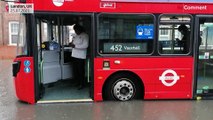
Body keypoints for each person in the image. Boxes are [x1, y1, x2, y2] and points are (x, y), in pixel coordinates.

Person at [69, 24, 89, 90]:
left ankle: (82, 84)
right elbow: (73, 43)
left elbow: (85, 45)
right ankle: (77, 82)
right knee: (75, 70)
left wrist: (75, 46)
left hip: (80, 56)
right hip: (74, 55)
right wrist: (71, 44)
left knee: (81, 71)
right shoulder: (75, 35)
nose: (75, 31)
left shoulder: (85, 35)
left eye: (76, 30)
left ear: (80, 29)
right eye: (75, 30)